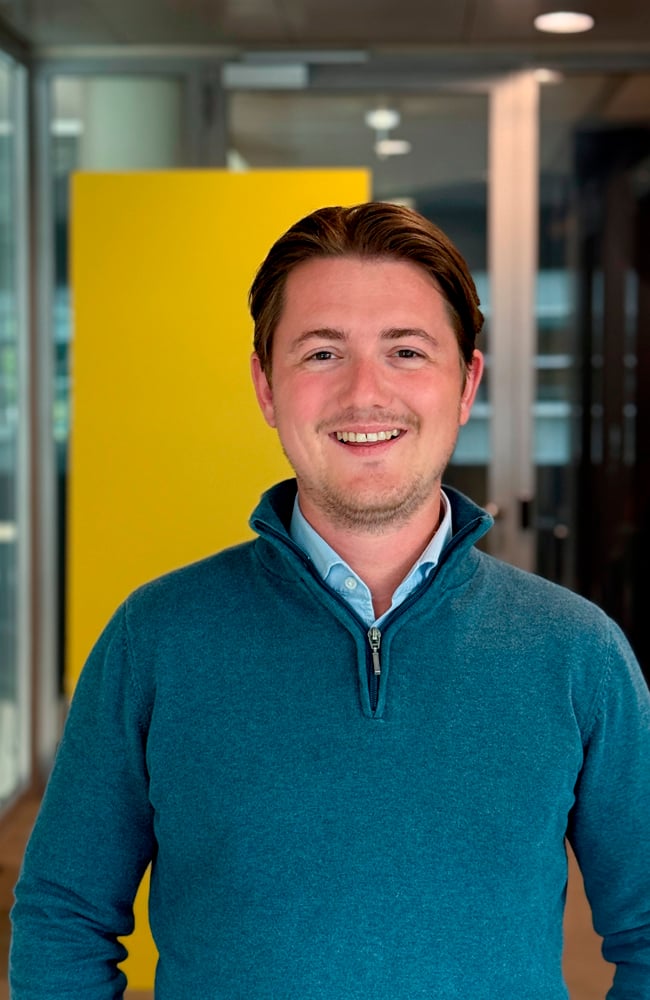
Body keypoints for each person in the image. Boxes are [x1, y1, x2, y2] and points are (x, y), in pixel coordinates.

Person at [10, 202, 650, 999]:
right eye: (322, 353)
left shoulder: (578, 652)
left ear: (467, 384)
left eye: (407, 351)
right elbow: (64, 919)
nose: (364, 392)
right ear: (266, 386)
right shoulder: (156, 639)